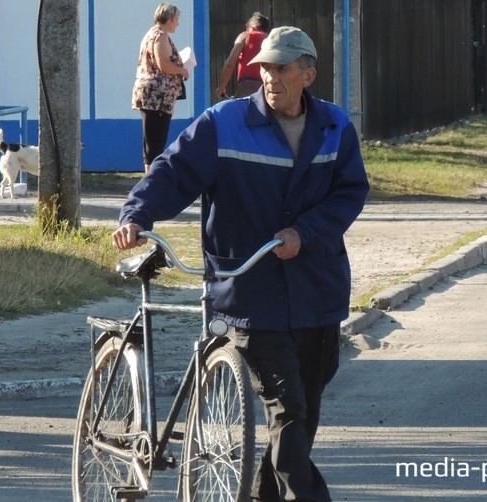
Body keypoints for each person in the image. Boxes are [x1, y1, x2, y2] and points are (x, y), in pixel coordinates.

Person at [113, 26, 369, 501]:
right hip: (248, 293)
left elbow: (350, 193)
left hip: (316, 291)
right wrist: (136, 215)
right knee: (288, 411)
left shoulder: (335, 127)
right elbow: (171, 172)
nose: (270, 77)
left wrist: (304, 233)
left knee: (301, 418)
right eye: (265, 68)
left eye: (282, 69)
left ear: (308, 75)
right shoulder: (223, 123)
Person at [131, 3, 190, 173]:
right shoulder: (161, 36)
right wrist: (182, 70)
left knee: (151, 141)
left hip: (151, 94)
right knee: (155, 142)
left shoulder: (150, 34)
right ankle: (151, 181)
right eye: (176, 20)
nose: (178, 24)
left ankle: (151, 179)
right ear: (169, 18)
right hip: (157, 97)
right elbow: (163, 64)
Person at [215, 11, 270, 99]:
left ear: (252, 28)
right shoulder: (270, 39)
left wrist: (221, 88)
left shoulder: (246, 36)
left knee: (243, 111)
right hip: (267, 85)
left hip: (249, 85)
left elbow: (230, 64)